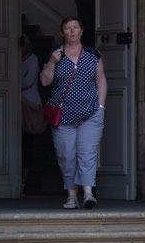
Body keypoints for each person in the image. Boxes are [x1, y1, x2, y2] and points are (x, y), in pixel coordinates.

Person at [40, 16, 107, 209]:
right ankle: (71, 196)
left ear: (81, 31)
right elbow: (44, 81)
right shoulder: (55, 54)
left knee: (87, 153)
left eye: (75, 27)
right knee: (66, 156)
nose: (72, 31)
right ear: (62, 33)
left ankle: (88, 193)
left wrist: (101, 107)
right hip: (63, 116)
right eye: (68, 28)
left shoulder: (92, 54)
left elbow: (101, 80)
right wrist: (52, 63)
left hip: (90, 113)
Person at [20, 34, 44, 194]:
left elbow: (28, 82)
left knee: (28, 144)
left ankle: (23, 182)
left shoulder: (33, 59)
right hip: (16, 104)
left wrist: (13, 79)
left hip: (29, 105)